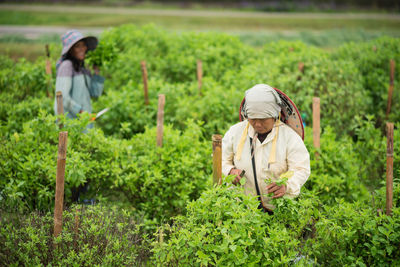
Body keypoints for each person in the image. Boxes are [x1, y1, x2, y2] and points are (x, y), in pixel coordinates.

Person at [222, 84, 310, 213]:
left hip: (279, 210)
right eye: (253, 119)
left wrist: (287, 186)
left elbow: (301, 169)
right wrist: (229, 171)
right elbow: (219, 160)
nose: (257, 124)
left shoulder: (289, 137)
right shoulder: (235, 133)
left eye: (263, 120)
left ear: (275, 114)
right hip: (241, 212)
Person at [54, 30, 105, 127]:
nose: (82, 49)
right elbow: (62, 97)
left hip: (83, 124)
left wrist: (97, 73)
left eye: (83, 45)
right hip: (71, 124)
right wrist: (81, 112)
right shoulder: (66, 66)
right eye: (77, 46)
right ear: (70, 50)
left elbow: (95, 94)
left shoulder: (83, 69)